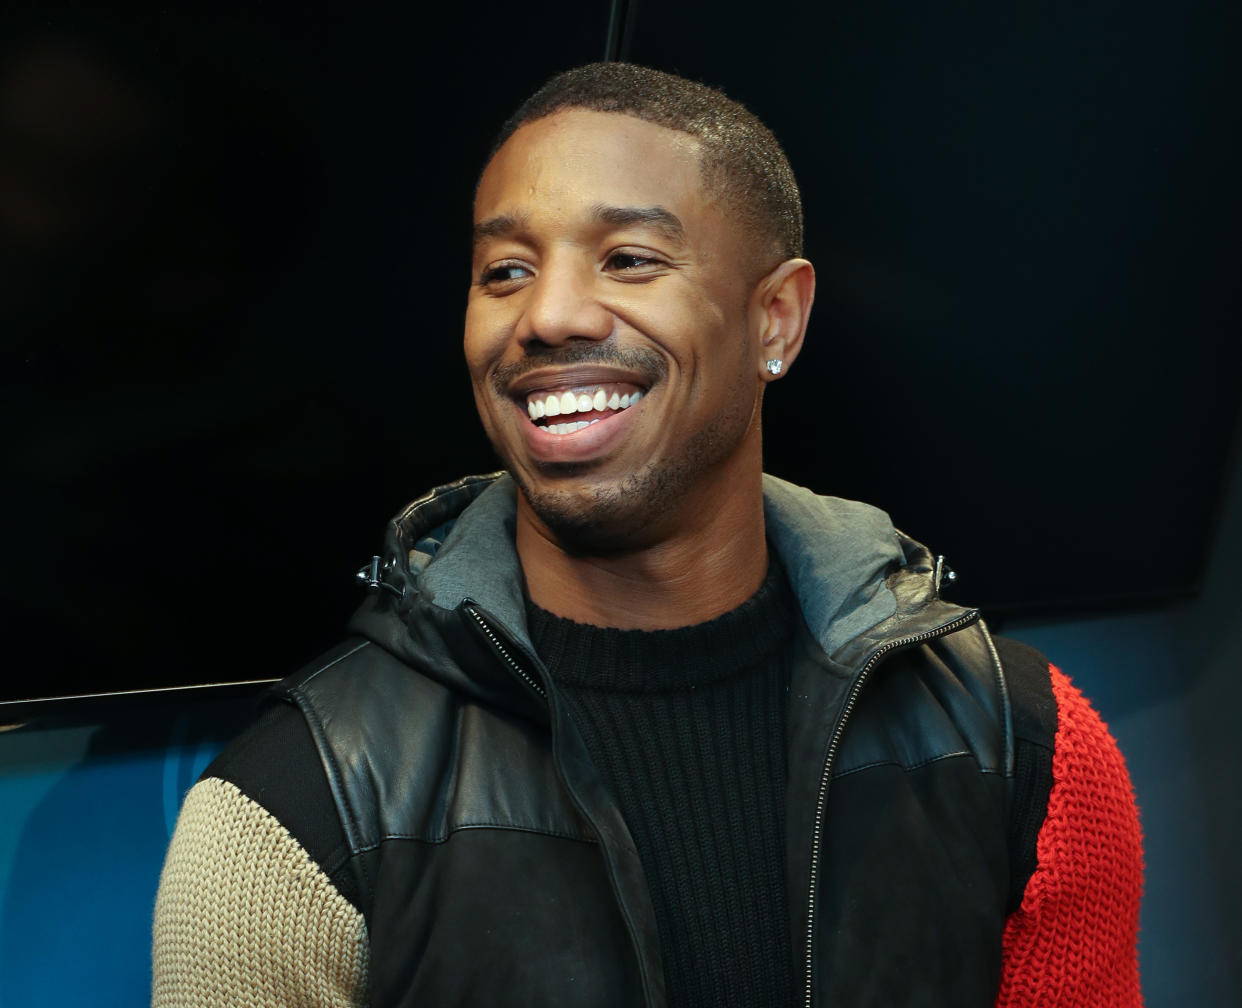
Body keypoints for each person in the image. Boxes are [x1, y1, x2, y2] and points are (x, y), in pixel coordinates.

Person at [152, 63, 1143, 1007]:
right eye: (504, 270)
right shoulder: (292, 813)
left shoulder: (1026, 747)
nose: (546, 314)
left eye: (628, 259)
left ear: (777, 321)